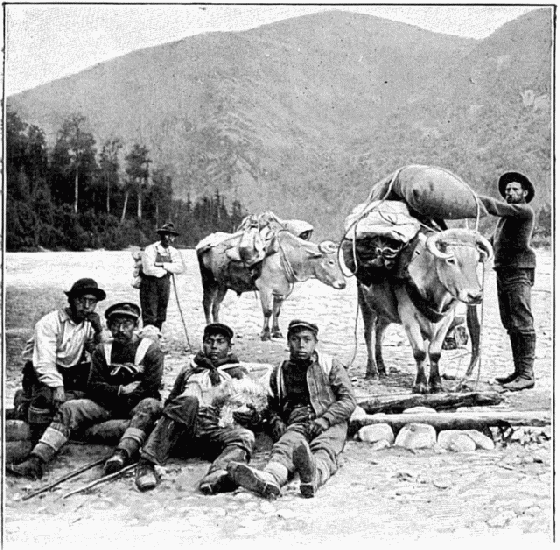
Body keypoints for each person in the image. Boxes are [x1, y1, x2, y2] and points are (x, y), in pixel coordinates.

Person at [8, 303, 163, 480]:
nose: (120, 330)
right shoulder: (102, 351)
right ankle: (36, 460)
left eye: (126, 324)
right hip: (107, 405)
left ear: (137, 325)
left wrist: (121, 395)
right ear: (108, 326)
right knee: (70, 408)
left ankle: (122, 454)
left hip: (136, 406)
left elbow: (150, 387)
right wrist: (120, 390)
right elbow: (94, 386)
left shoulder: (151, 350)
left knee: (150, 404)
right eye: (115, 324)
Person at [228, 319, 357, 499]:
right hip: (297, 421)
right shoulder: (279, 371)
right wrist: (276, 421)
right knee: (287, 445)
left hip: (330, 420)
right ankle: (270, 479)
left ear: (315, 343)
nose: (301, 344)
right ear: (288, 342)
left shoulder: (330, 365)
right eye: (296, 339)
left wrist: (325, 419)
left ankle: (313, 475)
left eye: (307, 339)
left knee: (325, 448)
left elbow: (348, 400)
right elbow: (270, 404)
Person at [134, 323, 259, 494]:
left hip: (215, 432)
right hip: (185, 431)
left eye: (220, 342)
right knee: (189, 400)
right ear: (203, 344)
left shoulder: (238, 373)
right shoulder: (190, 370)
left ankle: (217, 473)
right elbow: (171, 403)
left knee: (245, 436)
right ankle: (147, 464)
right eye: (209, 341)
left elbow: (255, 405)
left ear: (229, 347)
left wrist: (250, 415)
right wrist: (186, 407)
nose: (214, 346)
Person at [17, 278, 106, 440]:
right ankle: (34, 427)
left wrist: (99, 330)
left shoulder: (88, 323)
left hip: (70, 372)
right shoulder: (49, 323)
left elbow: (102, 355)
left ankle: (70, 425)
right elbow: (44, 361)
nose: (86, 307)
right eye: (81, 300)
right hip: (40, 371)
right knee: (47, 399)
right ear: (71, 300)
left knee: (98, 392)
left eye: (92, 302)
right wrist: (57, 387)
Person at [478, 171, 537, 391]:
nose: (509, 192)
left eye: (514, 189)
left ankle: (527, 374)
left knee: (522, 320)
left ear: (525, 192)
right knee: (510, 323)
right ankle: (518, 371)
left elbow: (493, 206)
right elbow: (491, 241)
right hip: (504, 272)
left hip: (519, 271)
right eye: (507, 189)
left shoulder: (523, 211)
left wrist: (470, 198)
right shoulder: (506, 219)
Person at [140, 222, 184, 330]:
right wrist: (167, 269)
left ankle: (157, 338)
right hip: (149, 285)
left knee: (161, 313)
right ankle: (148, 338)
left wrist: (162, 264)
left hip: (164, 285)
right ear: (161, 235)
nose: (169, 238)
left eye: (172, 236)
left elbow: (180, 268)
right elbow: (148, 269)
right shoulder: (151, 249)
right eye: (167, 235)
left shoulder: (173, 251)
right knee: (150, 313)